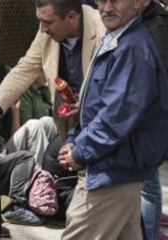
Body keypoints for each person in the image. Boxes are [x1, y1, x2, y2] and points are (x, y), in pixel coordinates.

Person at [57, 0, 168, 238]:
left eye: (115, 0)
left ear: (141, 2)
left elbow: (115, 117)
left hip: (110, 175)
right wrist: (75, 138)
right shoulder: (118, 38)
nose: (106, 7)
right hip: (115, 170)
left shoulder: (132, 48)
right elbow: (97, 106)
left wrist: (80, 152)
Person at [0, 0, 106, 142]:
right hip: (69, 126)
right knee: (52, 160)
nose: (42, 29)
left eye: (47, 22)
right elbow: (24, 70)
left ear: (71, 17)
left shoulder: (103, 30)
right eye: (40, 21)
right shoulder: (46, 32)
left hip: (101, 125)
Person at [139, 0, 168, 239]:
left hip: (150, 118)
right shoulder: (146, 22)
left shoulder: (156, 27)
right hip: (146, 117)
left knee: (148, 186)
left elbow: (157, 77)